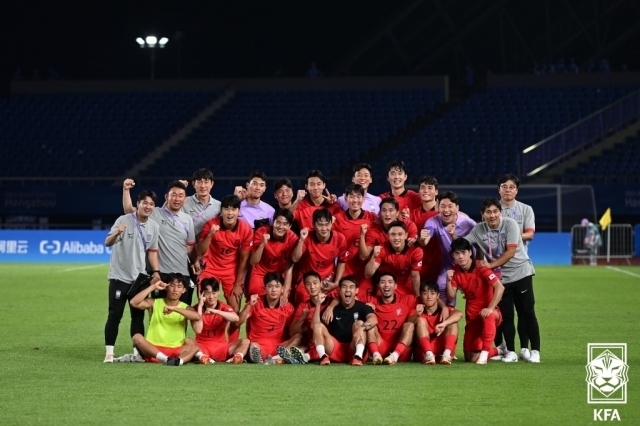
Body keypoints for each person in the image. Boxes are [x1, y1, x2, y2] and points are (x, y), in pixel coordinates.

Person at [463, 198, 541, 363]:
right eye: (488, 212)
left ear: (500, 212)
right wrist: (451, 234)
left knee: (526, 312)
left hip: (521, 272)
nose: (492, 215)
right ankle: (511, 351)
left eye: (495, 211)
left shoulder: (510, 224)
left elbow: (511, 252)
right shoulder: (478, 229)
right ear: (482, 215)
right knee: (506, 315)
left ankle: (535, 351)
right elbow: (463, 244)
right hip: (502, 278)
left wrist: (490, 265)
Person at [103, 190, 160, 363]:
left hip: (140, 278)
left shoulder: (154, 227)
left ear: (154, 207)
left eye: (151, 204)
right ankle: (109, 353)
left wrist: (156, 272)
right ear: (138, 204)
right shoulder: (123, 220)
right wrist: (117, 233)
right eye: (144, 202)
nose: (148, 206)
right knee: (115, 315)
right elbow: (107, 242)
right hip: (119, 277)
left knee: (138, 316)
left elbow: (152, 252)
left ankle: (137, 353)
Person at [123, 179, 197, 304]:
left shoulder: (187, 219)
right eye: (173, 195)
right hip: (161, 274)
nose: (177, 199)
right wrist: (126, 190)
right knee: (158, 313)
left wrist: (195, 264)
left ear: (185, 199)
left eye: (180, 196)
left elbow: (190, 248)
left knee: (181, 315)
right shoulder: (155, 213)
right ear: (166, 197)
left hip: (182, 275)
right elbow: (129, 211)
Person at [447, 238, 506, 364]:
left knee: (488, 315)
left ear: (470, 253)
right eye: (457, 253)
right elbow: (451, 296)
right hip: (472, 319)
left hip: (490, 314)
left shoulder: (481, 268)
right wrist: (448, 280)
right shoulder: (455, 271)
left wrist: (490, 308)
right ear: (453, 255)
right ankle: (500, 350)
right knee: (470, 357)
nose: (461, 256)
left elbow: (500, 287)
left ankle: (484, 355)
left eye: (463, 252)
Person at [197, 195, 252, 313]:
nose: (230, 213)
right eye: (226, 209)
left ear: (239, 211)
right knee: (204, 305)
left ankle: (227, 331)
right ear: (221, 211)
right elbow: (200, 251)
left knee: (235, 309)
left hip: (231, 270)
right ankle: (205, 331)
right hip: (211, 267)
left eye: (233, 209)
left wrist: (238, 284)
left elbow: (244, 259)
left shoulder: (245, 229)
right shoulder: (211, 224)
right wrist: (210, 234)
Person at [130, 274, 201, 366]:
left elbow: (197, 317)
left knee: (193, 346)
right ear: (166, 287)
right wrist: (153, 287)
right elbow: (133, 302)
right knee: (137, 337)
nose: (175, 289)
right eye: (172, 285)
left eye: (179, 286)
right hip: (153, 349)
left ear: (184, 290)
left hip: (176, 349)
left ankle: (178, 361)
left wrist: (175, 309)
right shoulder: (154, 303)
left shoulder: (186, 308)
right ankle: (165, 359)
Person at [420, 191, 476, 304]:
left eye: (450, 206)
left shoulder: (469, 224)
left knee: (477, 301)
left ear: (457, 208)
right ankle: (448, 317)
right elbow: (425, 240)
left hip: (471, 268)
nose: (446, 210)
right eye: (443, 206)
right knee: (441, 292)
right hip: (448, 267)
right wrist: (422, 238)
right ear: (437, 207)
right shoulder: (433, 221)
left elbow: (479, 246)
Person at [310, 277, 377, 366]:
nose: (348, 290)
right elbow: (314, 326)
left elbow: (374, 319)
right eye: (344, 287)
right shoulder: (331, 309)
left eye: (351, 287)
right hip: (337, 349)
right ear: (339, 290)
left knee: (359, 323)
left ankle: (358, 357)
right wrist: (318, 304)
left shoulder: (363, 307)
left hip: (353, 346)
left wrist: (362, 328)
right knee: (318, 326)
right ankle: (323, 357)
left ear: (356, 290)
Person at [237, 272, 298, 364]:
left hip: (280, 346)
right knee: (254, 346)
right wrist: (249, 305)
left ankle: (278, 357)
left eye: (277, 286)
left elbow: (292, 331)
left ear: (282, 289)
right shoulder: (255, 303)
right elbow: (238, 322)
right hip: (259, 345)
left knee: (299, 337)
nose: (274, 290)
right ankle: (272, 359)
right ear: (264, 288)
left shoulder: (287, 307)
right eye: (270, 286)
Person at [291, 208, 348, 304]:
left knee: (343, 298)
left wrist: (336, 283)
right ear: (313, 225)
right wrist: (301, 240)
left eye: (327, 224)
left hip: (328, 280)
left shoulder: (340, 238)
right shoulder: (307, 236)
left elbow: (342, 261)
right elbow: (295, 258)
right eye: (320, 225)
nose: (324, 228)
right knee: (304, 301)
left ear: (331, 224)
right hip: (307, 281)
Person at [333, 183, 378, 298]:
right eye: (352, 197)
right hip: (344, 272)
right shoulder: (337, 219)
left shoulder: (372, 218)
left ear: (363, 199)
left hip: (365, 274)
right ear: (346, 198)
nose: (355, 200)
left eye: (358, 197)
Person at [192, 278, 248, 364]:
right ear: (201, 293)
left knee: (245, 341)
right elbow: (198, 330)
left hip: (221, 348)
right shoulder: (195, 309)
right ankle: (203, 357)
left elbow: (236, 318)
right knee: (188, 342)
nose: (211, 297)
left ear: (218, 292)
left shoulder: (223, 307)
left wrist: (217, 311)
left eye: (214, 293)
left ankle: (237, 357)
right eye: (207, 293)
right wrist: (200, 307)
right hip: (202, 347)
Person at [364, 273, 416, 365]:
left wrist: (443, 307)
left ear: (395, 286)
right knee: (371, 325)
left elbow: (429, 298)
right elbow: (351, 299)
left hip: (400, 349)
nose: (386, 285)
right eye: (383, 282)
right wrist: (332, 306)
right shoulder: (371, 300)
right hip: (381, 347)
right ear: (378, 286)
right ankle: (376, 355)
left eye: (390, 282)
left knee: (410, 325)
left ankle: (394, 356)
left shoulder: (407, 300)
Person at [248, 209, 298, 299]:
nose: (281, 226)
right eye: (278, 222)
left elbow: (289, 266)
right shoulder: (261, 232)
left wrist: (285, 290)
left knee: (283, 302)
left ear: (290, 226)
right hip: (260, 273)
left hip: (279, 275)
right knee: (254, 300)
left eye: (285, 224)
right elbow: (253, 262)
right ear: (273, 222)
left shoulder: (293, 238)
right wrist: (262, 244)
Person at [364, 221, 423, 297]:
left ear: (406, 235)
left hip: (407, 287)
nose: (396, 238)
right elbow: (368, 274)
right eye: (393, 234)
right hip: (387, 286)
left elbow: (414, 277)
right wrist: (373, 257)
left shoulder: (416, 251)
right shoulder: (382, 248)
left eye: (400, 234)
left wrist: (417, 296)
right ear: (388, 236)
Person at [287, 271, 331, 363]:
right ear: (304, 286)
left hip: (329, 344)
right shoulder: (303, 306)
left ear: (321, 283)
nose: (312, 287)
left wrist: (331, 306)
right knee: (298, 339)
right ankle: (282, 357)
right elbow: (292, 332)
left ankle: (304, 355)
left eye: (315, 283)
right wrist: (302, 318)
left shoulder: (331, 301)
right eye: (308, 284)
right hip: (312, 345)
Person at [413, 280, 462, 365]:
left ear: (438, 295)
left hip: (442, 346)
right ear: (420, 296)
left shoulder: (444, 311)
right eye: (425, 293)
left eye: (432, 293)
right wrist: (416, 315)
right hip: (424, 350)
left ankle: (447, 355)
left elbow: (459, 314)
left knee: (452, 321)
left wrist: (444, 323)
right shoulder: (418, 310)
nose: (429, 297)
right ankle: (429, 355)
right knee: (420, 320)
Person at [359, 197, 418, 262]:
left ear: (397, 213)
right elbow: (363, 257)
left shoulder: (409, 226)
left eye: (391, 210)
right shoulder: (374, 232)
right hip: (384, 268)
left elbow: (413, 248)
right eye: (384, 210)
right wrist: (362, 235)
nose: (387, 214)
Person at [411, 176, 442, 283]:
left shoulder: (444, 213)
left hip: (441, 266)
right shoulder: (412, 215)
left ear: (436, 191)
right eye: (423, 187)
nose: (426, 190)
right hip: (418, 266)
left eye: (430, 188)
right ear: (419, 191)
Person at [498, 174, 535, 252]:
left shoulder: (526, 209)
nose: (508, 190)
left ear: (517, 190)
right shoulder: (491, 210)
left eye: (512, 187)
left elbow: (530, 235)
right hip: (497, 256)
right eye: (504, 187)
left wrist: (511, 237)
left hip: (519, 259)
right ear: (499, 189)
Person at [182, 168, 221, 237]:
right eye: (199, 182)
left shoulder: (219, 205)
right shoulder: (184, 202)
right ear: (193, 184)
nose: (203, 186)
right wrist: (176, 187)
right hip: (188, 245)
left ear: (212, 184)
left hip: (209, 246)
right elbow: (167, 213)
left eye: (206, 182)